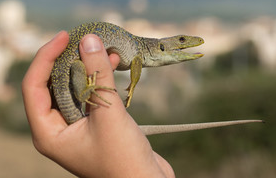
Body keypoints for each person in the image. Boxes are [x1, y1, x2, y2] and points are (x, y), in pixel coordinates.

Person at [22, 31, 175, 178]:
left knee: (78, 68)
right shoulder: (138, 53)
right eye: (181, 40)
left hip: (64, 90)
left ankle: (82, 93)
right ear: (161, 46)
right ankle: (83, 93)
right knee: (78, 68)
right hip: (67, 83)